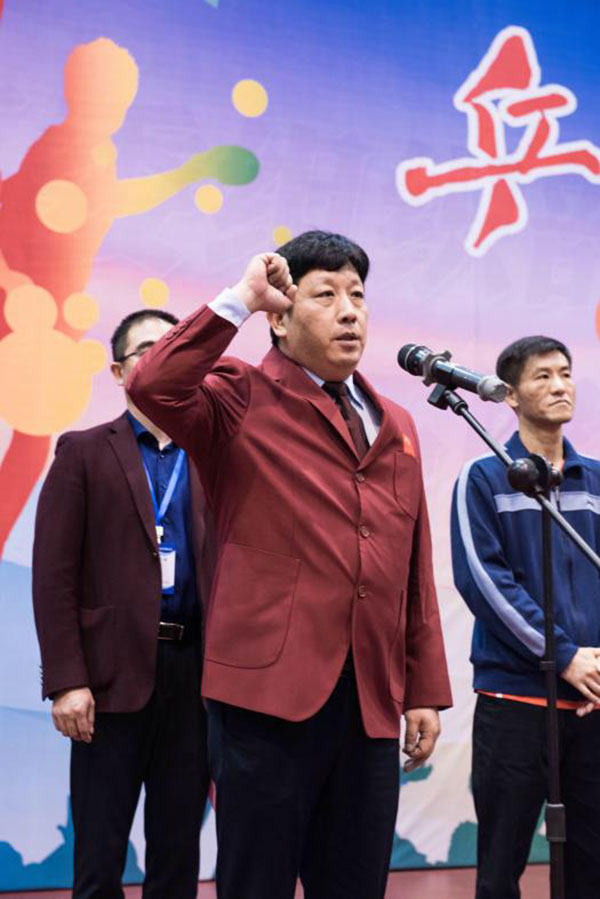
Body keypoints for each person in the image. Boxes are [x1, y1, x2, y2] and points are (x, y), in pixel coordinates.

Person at [128, 230, 452, 899]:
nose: (349, 311)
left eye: (357, 295)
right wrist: (240, 298)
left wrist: (422, 688)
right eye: (325, 295)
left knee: (355, 884)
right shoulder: (239, 395)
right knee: (259, 883)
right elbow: (152, 385)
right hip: (267, 695)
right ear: (280, 317)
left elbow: (412, 563)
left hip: (370, 697)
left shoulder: (395, 421)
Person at [32, 308, 214, 898]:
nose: (162, 361)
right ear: (118, 372)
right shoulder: (84, 452)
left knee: (178, 853)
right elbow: (54, 577)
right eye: (146, 352)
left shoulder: (213, 455)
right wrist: (67, 681)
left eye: (174, 350)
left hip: (195, 677)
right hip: (108, 682)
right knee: (99, 857)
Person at [451, 335, 600, 898]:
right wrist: (565, 656)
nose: (560, 386)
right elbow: (484, 581)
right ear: (510, 395)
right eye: (543, 376)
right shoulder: (484, 477)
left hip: (591, 703)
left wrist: (594, 669)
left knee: (591, 864)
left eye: (565, 373)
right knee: (500, 870)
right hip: (515, 703)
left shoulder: (597, 479)